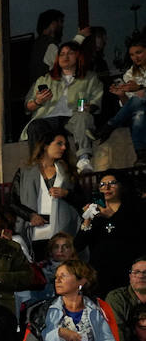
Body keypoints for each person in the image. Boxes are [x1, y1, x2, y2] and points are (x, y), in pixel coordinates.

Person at [22, 41, 103, 173]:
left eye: (70, 53)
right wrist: (38, 101)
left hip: (72, 118)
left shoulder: (90, 78)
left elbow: (96, 103)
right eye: (62, 54)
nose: (65, 57)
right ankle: (39, 166)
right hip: (47, 119)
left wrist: (89, 107)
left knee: (82, 116)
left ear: (78, 56)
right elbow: (28, 106)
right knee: (35, 126)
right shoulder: (44, 79)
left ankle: (83, 160)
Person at [10, 133, 85, 255]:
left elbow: (82, 201)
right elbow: (13, 202)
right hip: (35, 234)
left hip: (63, 233)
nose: (64, 148)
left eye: (65, 144)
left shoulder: (67, 172)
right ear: (45, 146)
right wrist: (31, 216)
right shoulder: (24, 172)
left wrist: (66, 194)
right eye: (59, 143)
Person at [76, 172, 140, 294]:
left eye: (112, 183)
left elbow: (136, 237)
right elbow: (78, 245)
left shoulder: (133, 210)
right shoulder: (95, 212)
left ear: (121, 186)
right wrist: (87, 221)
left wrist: (112, 216)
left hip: (126, 270)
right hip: (100, 273)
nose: (107, 187)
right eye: (102, 184)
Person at [92, 35, 146, 166]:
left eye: (139, 52)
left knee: (139, 103)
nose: (135, 57)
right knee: (138, 111)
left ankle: (110, 124)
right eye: (132, 55)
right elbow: (129, 106)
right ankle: (141, 156)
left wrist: (140, 87)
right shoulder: (129, 74)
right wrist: (122, 95)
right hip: (139, 111)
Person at [26, 10, 67, 84]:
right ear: (53, 24)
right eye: (61, 22)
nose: (62, 26)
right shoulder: (50, 46)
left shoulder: (35, 44)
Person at [107, 256, 146, 328]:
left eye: (145, 272)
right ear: (130, 276)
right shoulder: (117, 298)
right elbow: (117, 332)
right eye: (136, 272)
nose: (141, 276)